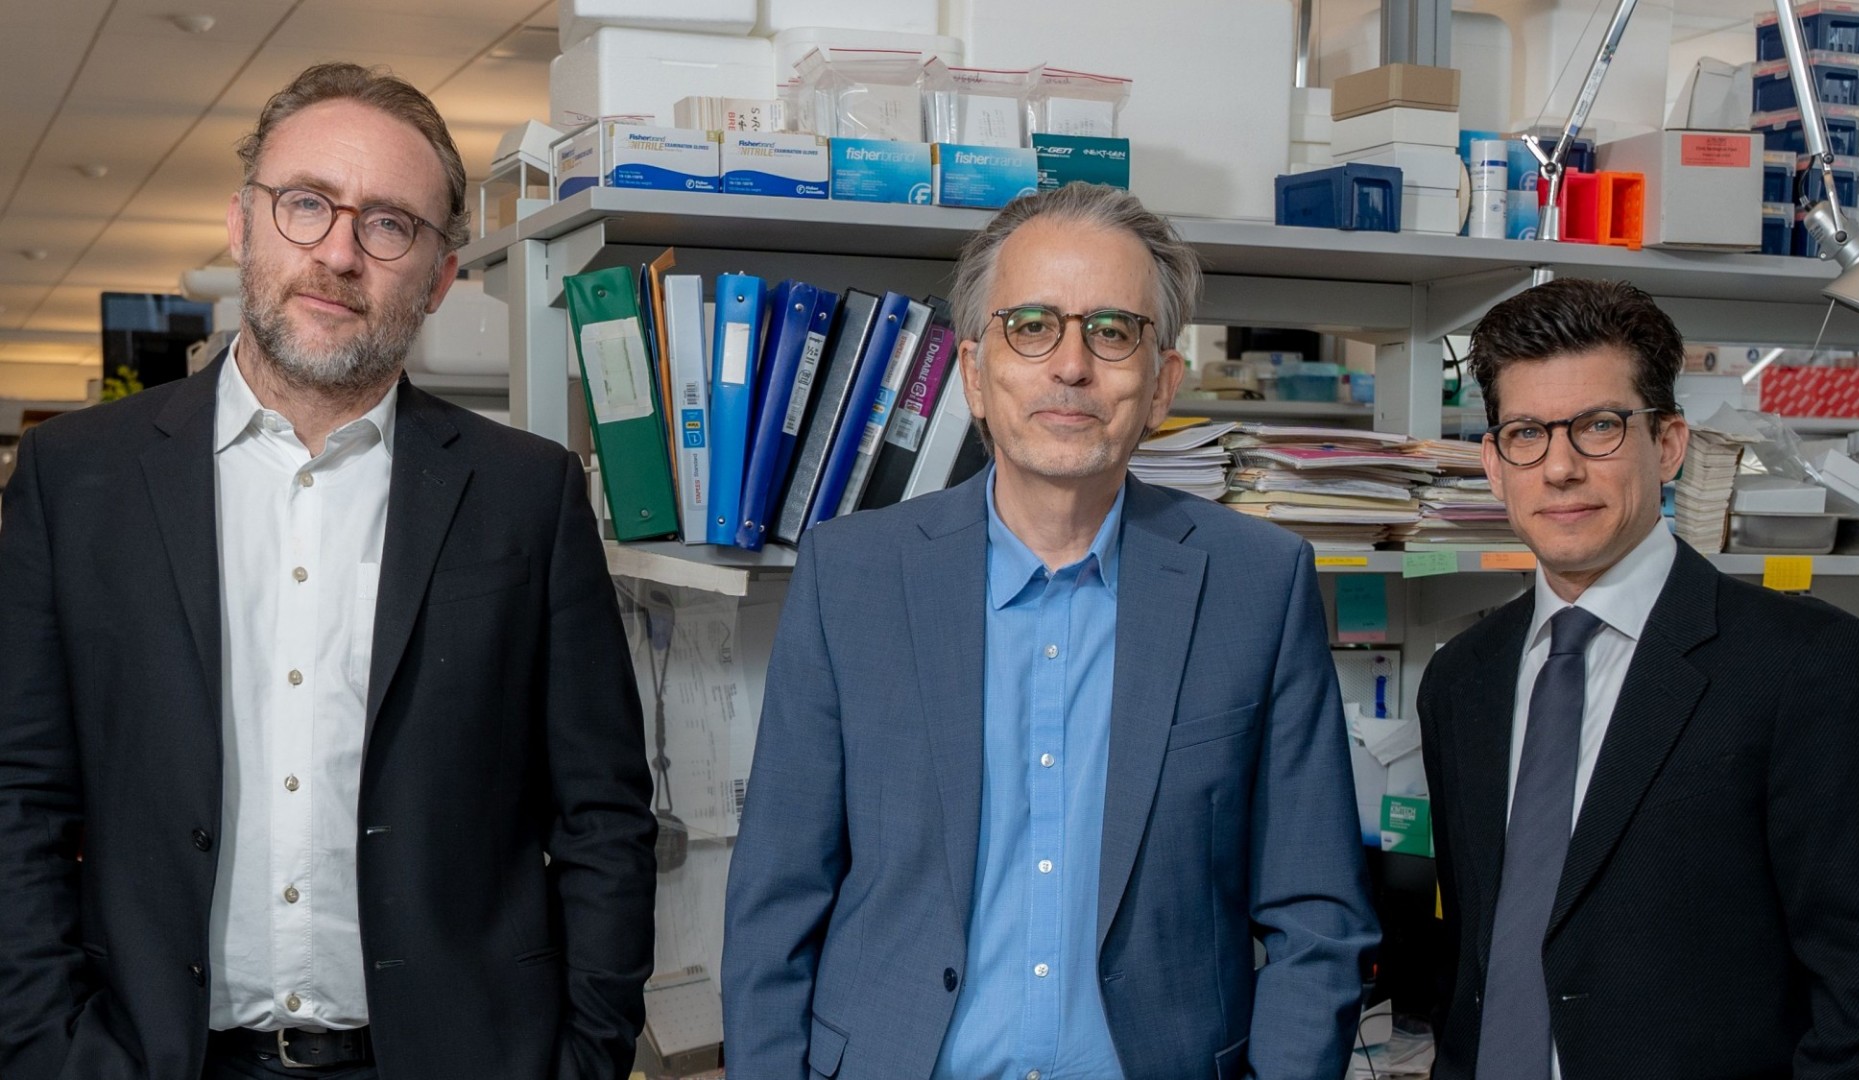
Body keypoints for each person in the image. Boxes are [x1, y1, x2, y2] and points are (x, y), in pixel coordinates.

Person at [0, 63, 657, 1080]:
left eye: (389, 224)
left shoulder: (527, 494)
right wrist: (50, 1047)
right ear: (243, 223)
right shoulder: (75, 479)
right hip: (150, 1054)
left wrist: (585, 1057)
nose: (339, 255)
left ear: (440, 277)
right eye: (307, 205)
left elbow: (604, 818)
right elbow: (20, 796)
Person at [723, 182, 1377, 1080]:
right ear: (973, 373)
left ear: (1161, 386)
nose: (1072, 365)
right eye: (1032, 326)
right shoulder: (854, 578)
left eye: (1112, 332)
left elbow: (1318, 918)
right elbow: (774, 904)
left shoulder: (1255, 586)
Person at [1418, 278, 1859, 1080]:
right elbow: (1476, 964)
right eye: (1526, 434)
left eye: (1600, 427)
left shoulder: (1806, 668)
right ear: (1492, 462)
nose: (1560, 469)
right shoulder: (1461, 680)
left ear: (1671, 443)